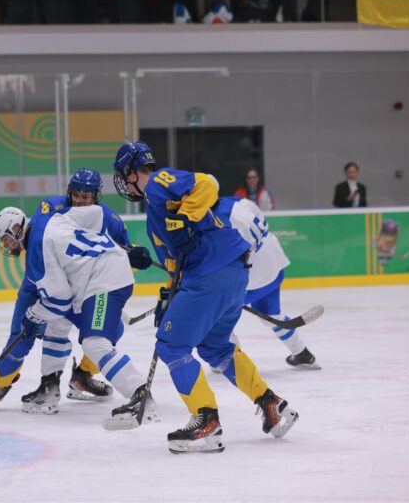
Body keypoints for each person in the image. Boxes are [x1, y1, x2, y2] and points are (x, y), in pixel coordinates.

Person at [113, 141, 298, 454]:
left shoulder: (159, 183)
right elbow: (176, 264)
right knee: (216, 348)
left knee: (171, 346)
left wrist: (186, 216)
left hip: (211, 273)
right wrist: (166, 298)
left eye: (123, 174)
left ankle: (206, 421)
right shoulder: (154, 212)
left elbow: (207, 183)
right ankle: (272, 405)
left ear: (132, 172)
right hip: (233, 271)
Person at [0, 169, 153, 414]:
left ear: (96, 196)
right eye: (77, 194)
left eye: (86, 196)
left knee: (110, 330)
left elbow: (112, 249)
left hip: (72, 285)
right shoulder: (51, 207)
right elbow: (41, 243)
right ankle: (4, 385)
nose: (80, 200)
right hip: (43, 281)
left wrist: (131, 251)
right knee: (23, 334)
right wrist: (36, 313)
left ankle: (82, 375)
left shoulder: (105, 217)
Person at [213, 194, 319, 368]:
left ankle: (230, 361)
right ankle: (302, 353)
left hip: (251, 276)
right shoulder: (240, 202)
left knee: (217, 315)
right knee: (271, 314)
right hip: (274, 266)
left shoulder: (214, 220)